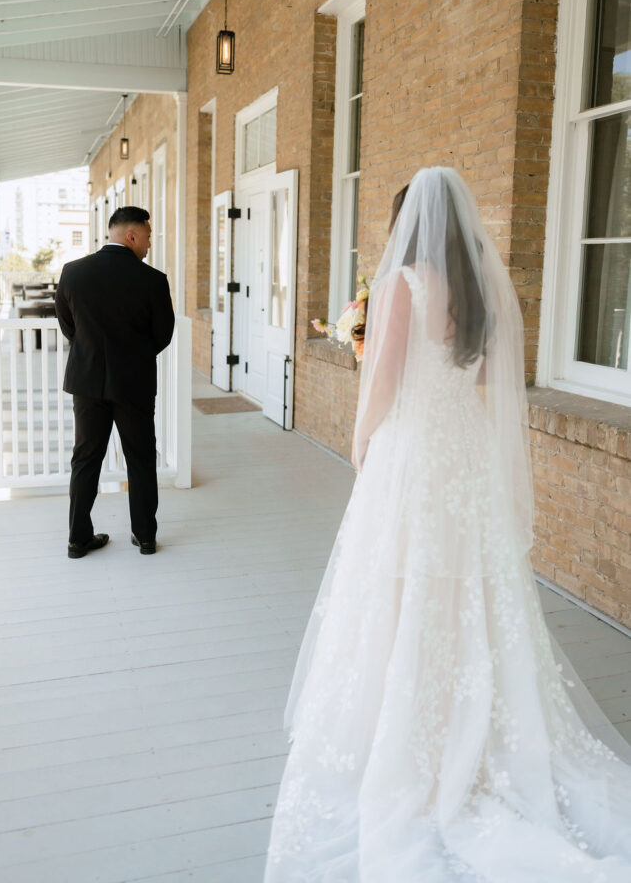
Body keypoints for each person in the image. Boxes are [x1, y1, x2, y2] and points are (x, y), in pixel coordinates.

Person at [264, 168, 631, 881]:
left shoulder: (405, 285)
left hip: (414, 452)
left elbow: (386, 379)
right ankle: (476, 715)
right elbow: (490, 379)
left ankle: (410, 727)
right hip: (463, 452)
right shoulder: (487, 287)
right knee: (467, 585)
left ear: (410, 224)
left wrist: (360, 439)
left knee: (401, 579)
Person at [55, 206, 175, 559]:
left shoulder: (73, 272)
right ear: (131, 235)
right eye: (148, 236)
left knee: (85, 459)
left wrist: (91, 350)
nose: (150, 244)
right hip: (134, 382)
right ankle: (145, 536)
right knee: (140, 459)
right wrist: (135, 356)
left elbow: (68, 325)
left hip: (86, 380)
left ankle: (78, 539)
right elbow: (163, 334)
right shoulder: (153, 280)